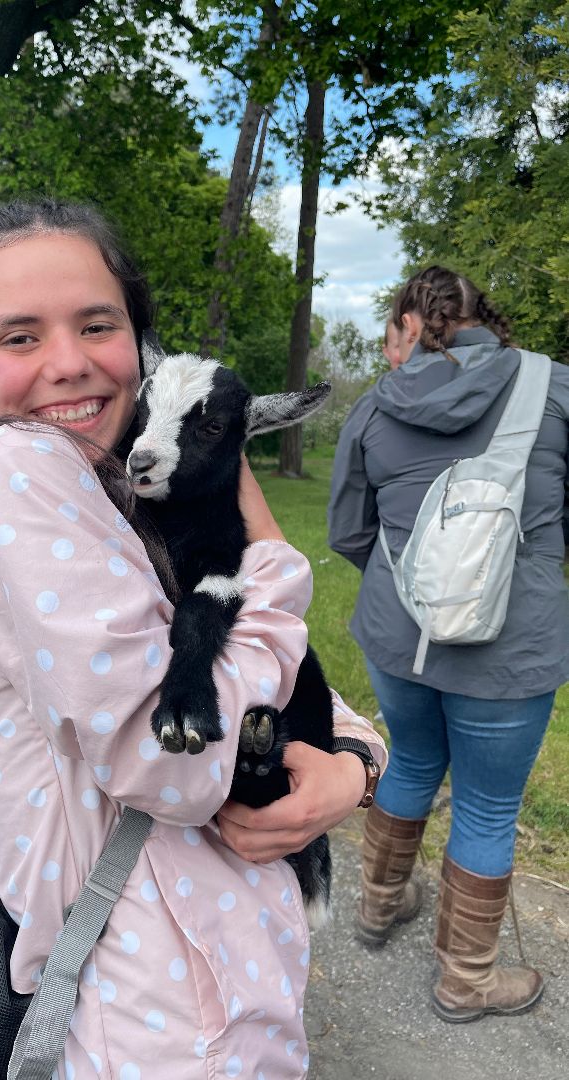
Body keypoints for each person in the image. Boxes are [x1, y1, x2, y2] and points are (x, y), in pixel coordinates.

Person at [0, 198, 386, 1078]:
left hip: (205, 977)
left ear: (138, 348)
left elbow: (264, 674)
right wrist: (267, 557)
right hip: (157, 1010)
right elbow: (178, 761)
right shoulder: (15, 472)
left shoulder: (106, 492)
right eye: (19, 336)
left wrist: (350, 761)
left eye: (96, 324)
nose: (69, 363)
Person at [328, 265, 569, 1023]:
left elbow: (345, 530)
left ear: (409, 327)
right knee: (490, 809)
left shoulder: (374, 403)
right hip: (513, 645)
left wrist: (418, 593)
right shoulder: (556, 390)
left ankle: (376, 906)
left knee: (415, 759)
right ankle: (466, 980)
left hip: (398, 640)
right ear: (488, 320)